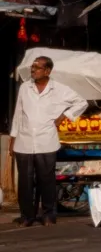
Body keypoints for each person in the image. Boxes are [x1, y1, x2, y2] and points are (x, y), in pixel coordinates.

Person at [9, 55, 85, 226]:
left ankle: (49, 215)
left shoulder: (59, 89)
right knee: (25, 182)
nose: (33, 70)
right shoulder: (24, 88)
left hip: (46, 141)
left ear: (47, 71)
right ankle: (27, 216)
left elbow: (81, 102)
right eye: (32, 67)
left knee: (47, 180)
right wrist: (12, 138)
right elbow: (18, 114)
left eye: (37, 67)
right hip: (25, 141)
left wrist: (64, 116)